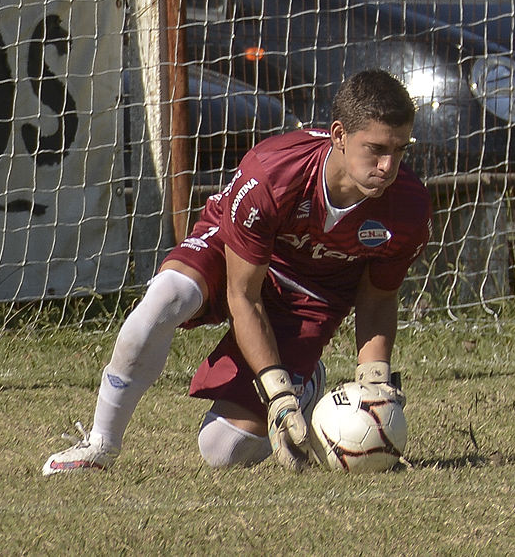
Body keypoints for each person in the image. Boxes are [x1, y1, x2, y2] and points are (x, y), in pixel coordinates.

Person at [42, 69, 432, 473]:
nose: (388, 166)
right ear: (338, 135)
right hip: (235, 251)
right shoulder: (272, 172)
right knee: (166, 297)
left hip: (310, 297)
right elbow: (243, 295)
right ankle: (99, 447)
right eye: (376, 149)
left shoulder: (408, 206)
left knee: (222, 450)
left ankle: (308, 381)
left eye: (400, 150)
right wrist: (278, 393)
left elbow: (379, 295)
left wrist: (374, 382)